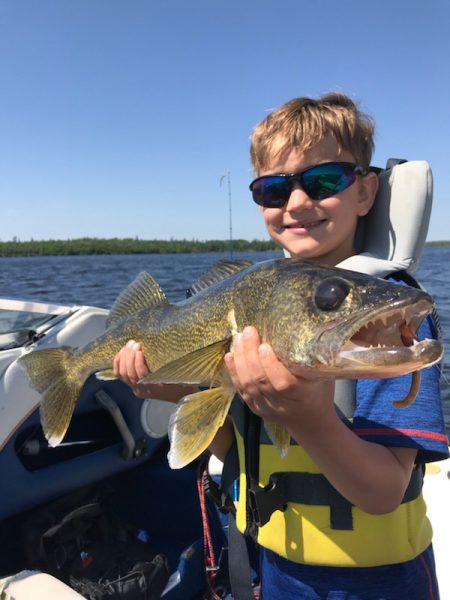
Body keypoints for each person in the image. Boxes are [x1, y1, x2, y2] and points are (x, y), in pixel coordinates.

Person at [114, 93, 449, 599]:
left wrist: (307, 416)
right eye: (273, 190)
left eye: (324, 180)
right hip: (272, 570)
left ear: (366, 192)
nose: (296, 203)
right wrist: (167, 391)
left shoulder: (383, 323)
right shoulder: (261, 305)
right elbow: (235, 447)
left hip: (376, 584)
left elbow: (386, 493)